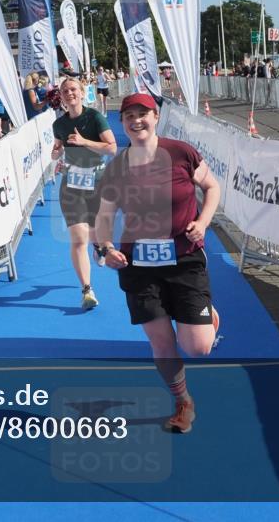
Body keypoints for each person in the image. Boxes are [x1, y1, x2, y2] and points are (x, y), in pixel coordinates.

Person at [95, 93, 221, 434]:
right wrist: (105, 249)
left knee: (197, 348)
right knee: (162, 342)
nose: (136, 121)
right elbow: (104, 218)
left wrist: (204, 222)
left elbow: (211, 187)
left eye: (143, 114)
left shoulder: (181, 153)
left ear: (155, 117)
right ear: (121, 124)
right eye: (128, 117)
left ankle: (207, 315)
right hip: (137, 265)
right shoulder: (116, 168)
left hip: (184, 258)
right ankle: (183, 402)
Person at [51, 77, 117, 310]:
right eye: (65, 91)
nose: (69, 93)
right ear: (61, 96)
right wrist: (57, 155)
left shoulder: (94, 117)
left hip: (97, 184)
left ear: (82, 93)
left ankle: (98, 246)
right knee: (79, 238)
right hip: (71, 186)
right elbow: (57, 149)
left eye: (73, 90)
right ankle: (87, 290)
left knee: (94, 232)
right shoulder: (59, 124)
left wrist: (83, 141)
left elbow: (111, 147)